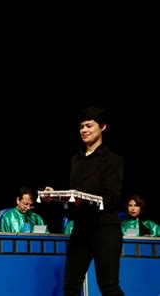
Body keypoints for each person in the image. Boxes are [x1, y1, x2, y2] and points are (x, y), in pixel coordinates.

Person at [45, 106, 125, 295]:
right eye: (81, 127)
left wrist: (86, 200)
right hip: (81, 230)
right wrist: (58, 197)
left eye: (89, 126)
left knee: (109, 286)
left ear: (103, 127)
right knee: (71, 287)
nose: (84, 130)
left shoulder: (113, 159)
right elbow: (73, 200)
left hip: (105, 229)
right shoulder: (76, 159)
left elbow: (112, 198)